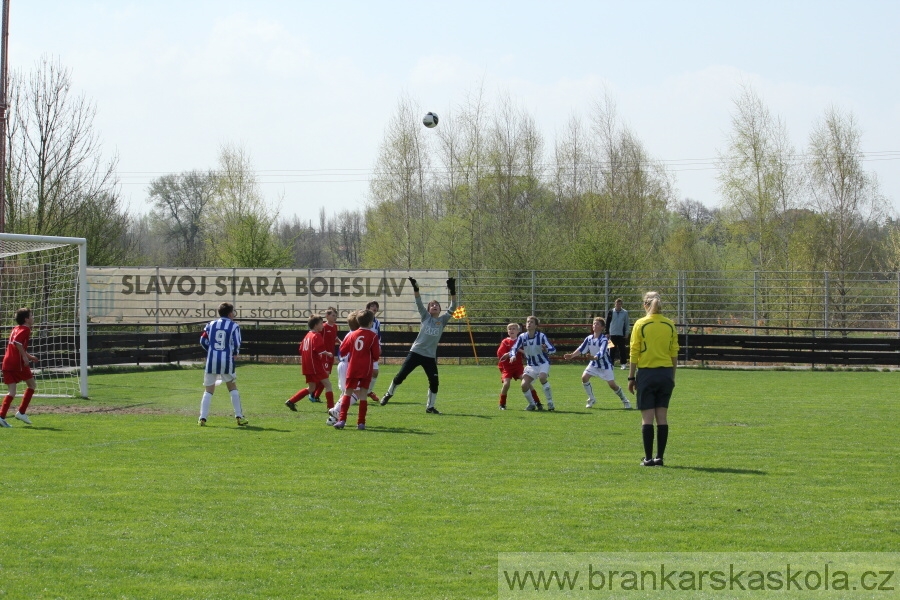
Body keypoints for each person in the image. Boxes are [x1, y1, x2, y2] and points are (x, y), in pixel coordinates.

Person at [380, 277, 457, 414]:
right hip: (415, 353)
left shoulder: (443, 320)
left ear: (440, 309)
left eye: (436, 305)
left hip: (429, 357)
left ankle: (430, 407)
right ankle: (388, 394)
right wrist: (416, 288)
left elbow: (453, 307)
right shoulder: (425, 317)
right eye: (431, 305)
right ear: (428, 310)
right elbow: (418, 302)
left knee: (434, 382)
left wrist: (452, 290)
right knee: (400, 376)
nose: (434, 306)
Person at [627, 291, 679, 467]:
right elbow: (674, 353)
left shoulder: (641, 324)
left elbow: (634, 352)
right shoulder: (670, 325)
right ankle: (660, 458)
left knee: (647, 418)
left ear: (645, 305)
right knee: (662, 418)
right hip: (665, 374)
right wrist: (672, 376)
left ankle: (648, 458)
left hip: (647, 374)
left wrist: (631, 377)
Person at [563, 317, 632, 409]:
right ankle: (591, 399)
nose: (594, 325)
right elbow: (581, 349)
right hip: (594, 364)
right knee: (584, 377)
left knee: (612, 385)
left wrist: (594, 357)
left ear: (602, 327)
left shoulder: (604, 339)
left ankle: (625, 400)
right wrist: (571, 355)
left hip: (605, 365)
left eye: (597, 324)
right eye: (594, 324)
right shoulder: (589, 338)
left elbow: (602, 352)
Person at [198, 302, 247, 427]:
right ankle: (239, 416)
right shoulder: (234, 326)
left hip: (212, 360)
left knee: (208, 390)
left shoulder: (210, 324)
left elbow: (203, 340)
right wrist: (235, 353)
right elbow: (237, 342)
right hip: (226, 360)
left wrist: (210, 350)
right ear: (230, 313)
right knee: (232, 387)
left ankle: (202, 418)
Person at [332, 309, 380, 430]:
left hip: (353, 367)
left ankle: (342, 420)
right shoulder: (373, 336)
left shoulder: (352, 334)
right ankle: (361, 423)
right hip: (366, 369)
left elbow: (342, 350)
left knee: (347, 393)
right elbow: (376, 356)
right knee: (363, 395)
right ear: (370, 323)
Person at [502, 315, 556, 411]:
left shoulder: (541, 336)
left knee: (542, 377)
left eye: (531, 322)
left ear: (536, 326)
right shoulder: (522, 337)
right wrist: (513, 355)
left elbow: (553, 349)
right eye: (527, 322)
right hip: (531, 365)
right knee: (524, 385)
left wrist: (546, 349)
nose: (529, 324)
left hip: (543, 363)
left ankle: (550, 402)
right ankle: (531, 404)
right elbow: (514, 348)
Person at [285, 315, 334, 411]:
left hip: (307, 366)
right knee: (328, 384)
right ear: (316, 325)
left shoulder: (307, 336)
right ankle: (331, 408)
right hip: (315, 366)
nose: (323, 325)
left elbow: (300, 349)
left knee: (311, 388)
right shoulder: (316, 335)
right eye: (321, 323)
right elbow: (320, 350)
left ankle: (291, 401)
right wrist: (328, 354)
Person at [0, 308, 39, 427]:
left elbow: (16, 345)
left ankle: (1, 416)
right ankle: (21, 412)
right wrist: (25, 358)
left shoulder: (15, 329)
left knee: (11, 391)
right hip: (18, 364)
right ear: (26, 319)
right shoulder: (26, 329)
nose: (33, 318)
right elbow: (17, 343)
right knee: (32, 385)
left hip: (7, 362)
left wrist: (29, 356)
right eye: (31, 316)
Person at [496, 322, 541, 410]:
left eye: (514, 329)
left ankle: (537, 402)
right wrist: (509, 354)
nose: (511, 330)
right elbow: (500, 354)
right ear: (507, 331)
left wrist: (520, 350)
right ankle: (502, 404)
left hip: (518, 367)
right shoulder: (505, 342)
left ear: (518, 331)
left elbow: (527, 352)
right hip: (507, 368)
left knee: (527, 383)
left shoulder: (521, 341)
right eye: (510, 329)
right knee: (506, 384)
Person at [364, 300, 383, 404]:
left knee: (375, 372)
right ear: (367, 308)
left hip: (373, 349)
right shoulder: (362, 320)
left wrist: (379, 346)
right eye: (372, 306)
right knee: (363, 372)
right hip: (363, 349)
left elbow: (378, 335)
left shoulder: (377, 322)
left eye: (376, 306)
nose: (374, 308)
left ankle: (368, 391)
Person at [606, 298, 631, 370]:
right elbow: (607, 323)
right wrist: (607, 332)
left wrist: (626, 333)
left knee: (622, 349)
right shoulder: (611, 312)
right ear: (615, 304)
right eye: (617, 304)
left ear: (621, 305)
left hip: (621, 334)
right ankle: (611, 364)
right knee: (611, 350)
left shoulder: (625, 312)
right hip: (612, 334)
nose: (618, 305)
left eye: (620, 304)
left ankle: (623, 364)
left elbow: (626, 323)